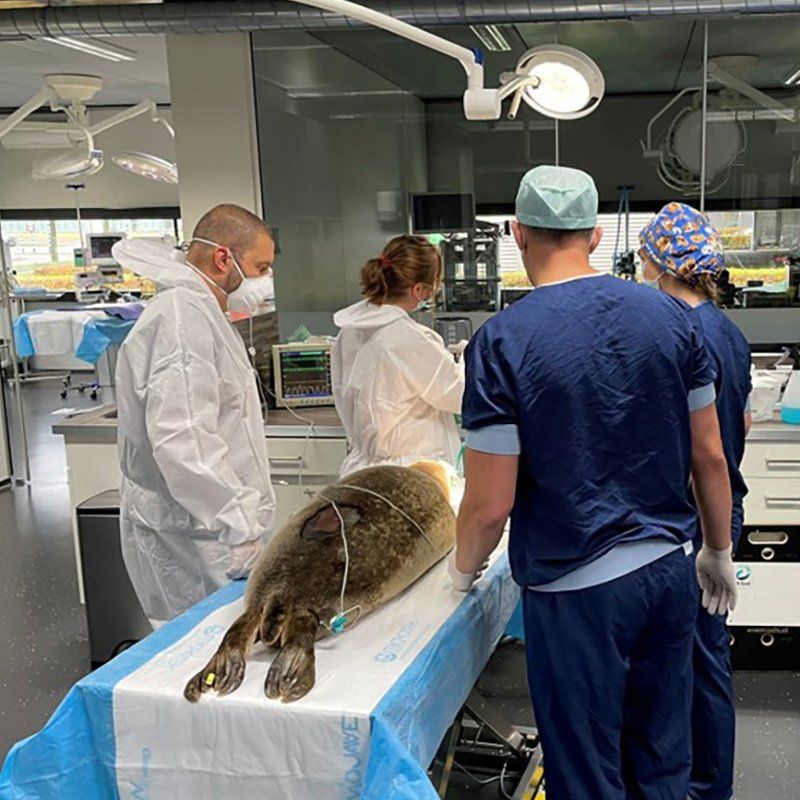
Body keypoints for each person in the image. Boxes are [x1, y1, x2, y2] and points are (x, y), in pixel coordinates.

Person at [451, 165, 738, 800]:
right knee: (663, 760)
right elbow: (710, 457)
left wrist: (460, 574)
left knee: (587, 773)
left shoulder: (501, 343)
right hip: (669, 574)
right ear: (599, 233)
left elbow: (490, 505)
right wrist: (717, 549)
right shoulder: (674, 319)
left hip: (577, 592)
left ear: (516, 232)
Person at [113, 204, 277, 626]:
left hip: (204, 527)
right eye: (261, 267)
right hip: (195, 533)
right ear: (224, 258)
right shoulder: (183, 319)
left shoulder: (200, 313)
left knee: (215, 652)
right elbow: (184, 441)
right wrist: (239, 525)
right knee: (199, 654)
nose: (265, 281)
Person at [640, 202, 752, 800]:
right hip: (719, 507)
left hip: (694, 519)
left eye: (642, 261)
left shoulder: (676, 332)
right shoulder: (729, 332)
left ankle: (705, 787)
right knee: (703, 655)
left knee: (696, 661)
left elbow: (697, 449)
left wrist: (711, 541)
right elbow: (743, 424)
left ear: (661, 261)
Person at [331, 234, 465, 476]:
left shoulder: (349, 331)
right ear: (420, 290)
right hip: (411, 473)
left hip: (362, 470)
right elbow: (458, 395)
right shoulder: (409, 338)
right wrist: (468, 357)